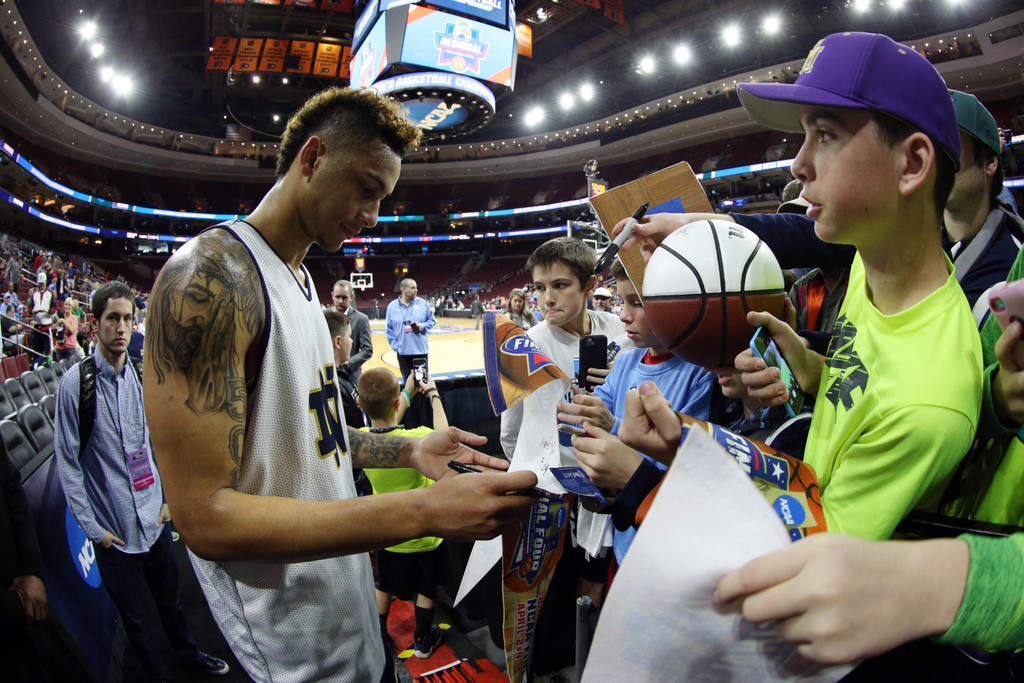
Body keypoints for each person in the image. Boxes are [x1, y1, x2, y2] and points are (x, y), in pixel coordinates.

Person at [142, 87, 537, 683]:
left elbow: (306, 437)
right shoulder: (210, 281)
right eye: (366, 188)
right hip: (286, 646)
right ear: (313, 158)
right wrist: (419, 511)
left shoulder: (300, 281)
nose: (373, 215)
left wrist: (404, 447)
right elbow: (202, 517)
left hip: (344, 613)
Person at [619, 32, 983, 541]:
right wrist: (808, 372)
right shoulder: (876, 265)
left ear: (913, 164)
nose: (797, 164)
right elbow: (855, 390)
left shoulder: (926, 407)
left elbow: (814, 556)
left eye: (826, 135)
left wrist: (657, 474)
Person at [54, 281, 229, 682]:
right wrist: (94, 530)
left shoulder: (139, 374)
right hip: (114, 530)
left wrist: (165, 498)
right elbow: (68, 465)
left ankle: (187, 653)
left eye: (128, 319)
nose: (121, 327)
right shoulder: (74, 386)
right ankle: (157, 675)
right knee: (135, 619)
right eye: (112, 318)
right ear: (94, 324)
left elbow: (155, 442)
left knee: (171, 602)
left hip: (152, 518)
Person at [358, 367, 449, 667]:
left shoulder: (360, 443)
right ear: (396, 403)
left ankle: (378, 635)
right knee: (426, 588)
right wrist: (432, 394)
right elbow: (445, 436)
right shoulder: (417, 438)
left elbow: (384, 429)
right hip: (424, 534)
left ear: (359, 403)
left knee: (383, 583)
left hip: (387, 532)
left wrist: (407, 393)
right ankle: (422, 641)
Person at [385, 278, 435, 380]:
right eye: (413, 288)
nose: (416, 290)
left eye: (416, 288)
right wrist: (396, 347)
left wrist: (421, 326)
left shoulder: (423, 304)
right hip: (403, 353)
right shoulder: (392, 306)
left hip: (420, 352)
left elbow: (432, 322)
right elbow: (389, 330)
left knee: (421, 384)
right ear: (403, 289)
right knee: (408, 383)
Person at [324, 309, 364, 428]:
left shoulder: (339, 374)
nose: (351, 341)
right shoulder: (335, 387)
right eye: (349, 336)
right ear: (338, 342)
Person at [332, 279, 373, 383]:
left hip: (351, 375)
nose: (340, 301)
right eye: (337, 297)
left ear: (351, 297)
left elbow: (367, 350)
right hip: (328, 372)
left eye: (344, 297)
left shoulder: (361, 319)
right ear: (332, 295)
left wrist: (348, 363)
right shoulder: (324, 315)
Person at [52, 297, 80, 363]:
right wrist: (58, 323)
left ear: (72, 307)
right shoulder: (60, 317)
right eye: (66, 304)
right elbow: (52, 328)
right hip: (59, 347)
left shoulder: (74, 318)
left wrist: (63, 321)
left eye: (69, 305)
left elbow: (72, 330)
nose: (67, 306)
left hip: (70, 348)